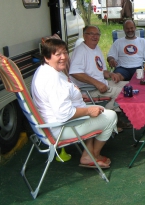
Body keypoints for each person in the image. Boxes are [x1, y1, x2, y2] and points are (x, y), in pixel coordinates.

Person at [31, 38, 117, 169]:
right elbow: (64, 114)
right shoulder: (53, 79)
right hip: (61, 128)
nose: (64, 57)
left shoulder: (44, 70)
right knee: (110, 117)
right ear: (47, 57)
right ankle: (93, 155)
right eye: (58, 54)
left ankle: (88, 154)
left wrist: (76, 96)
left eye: (65, 52)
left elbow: (59, 99)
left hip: (50, 124)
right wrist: (88, 111)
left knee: (97, 110)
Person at [69, 25, 128, 111]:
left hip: (102, 83)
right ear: (84, 35)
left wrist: (111, 74)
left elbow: (102, 70)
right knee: (125, 93)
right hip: (89, 90)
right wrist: (97, 83)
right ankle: (109, 113)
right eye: (91, 34)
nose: (95, 36)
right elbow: (75, 72)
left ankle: (116, 111)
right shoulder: (81, 51)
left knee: (130, 86)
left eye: (97, 34)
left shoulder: (96, 48)